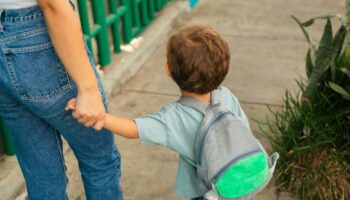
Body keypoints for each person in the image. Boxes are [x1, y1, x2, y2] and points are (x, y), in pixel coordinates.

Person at [67, 25, 251, 200]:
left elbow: (133, 129)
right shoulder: (226, 95)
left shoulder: (174, 117)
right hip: (242, 177)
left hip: (209, 191)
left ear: (168, 71)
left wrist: (101, 117)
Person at [0, 0, 122, 199]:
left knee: (41, 174)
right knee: (99, 161)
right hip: (34, 35)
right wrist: (88, 89)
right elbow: (53, 4)